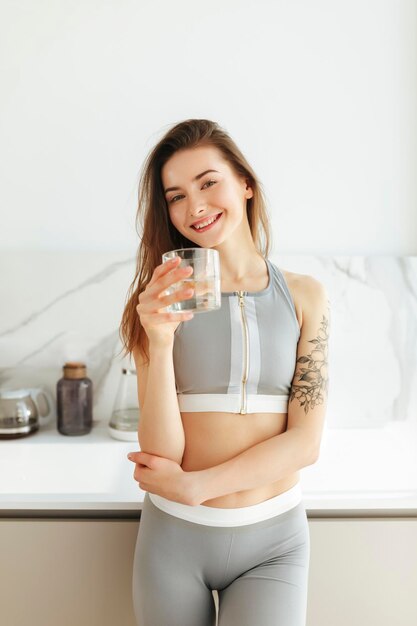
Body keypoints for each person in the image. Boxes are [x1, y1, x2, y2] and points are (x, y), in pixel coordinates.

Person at [120, 118, 330, 626]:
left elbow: (305, 444)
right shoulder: (158, 301)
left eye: (208, 182)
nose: (194, 207)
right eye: (175, 195)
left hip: (274, 542)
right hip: (174, 539)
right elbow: (162, 453)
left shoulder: (305, 296)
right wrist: (161, 338)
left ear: (245, 183)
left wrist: (198, 486)